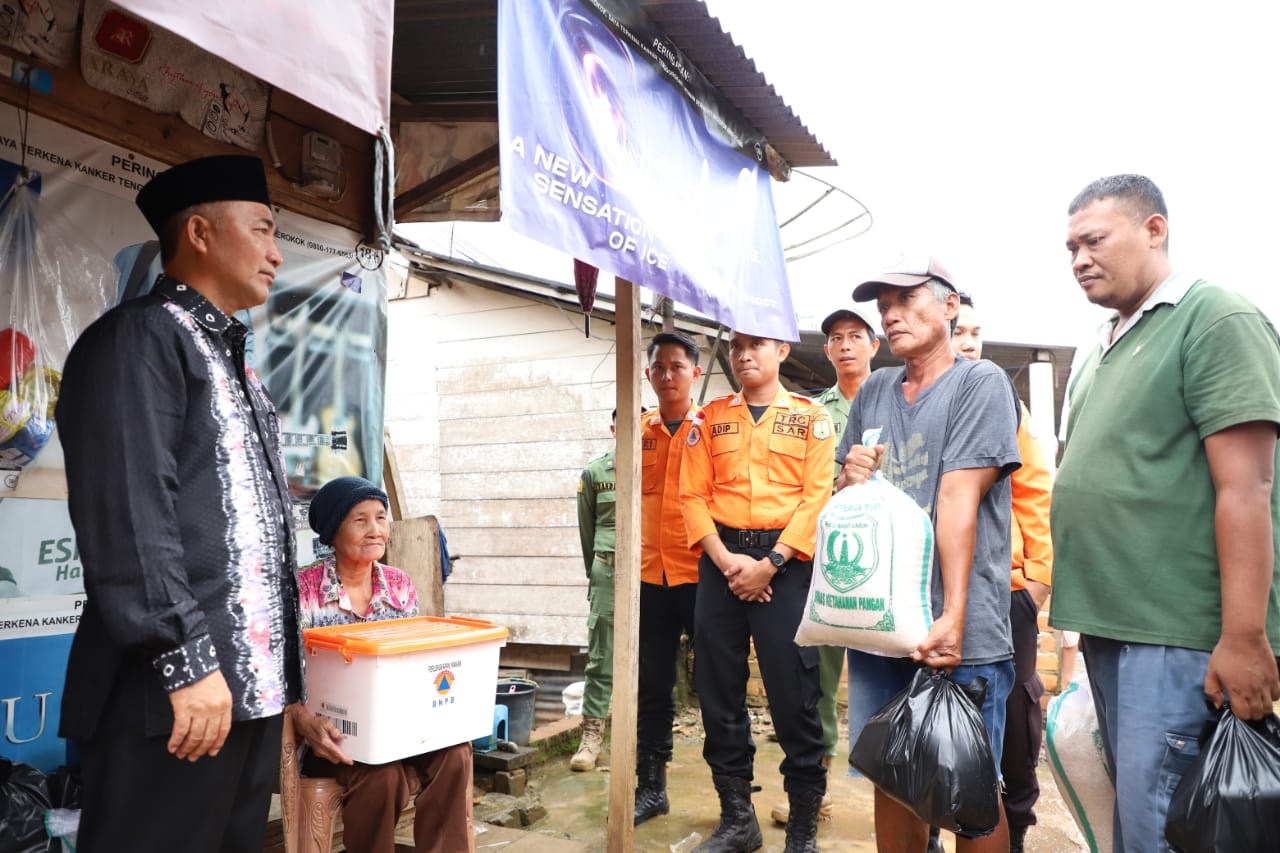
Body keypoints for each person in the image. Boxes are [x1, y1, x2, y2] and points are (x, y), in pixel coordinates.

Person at [55, 155, 300, 852]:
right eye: (263, 229)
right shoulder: (140, 337)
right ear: (199, 232)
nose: (277, 253)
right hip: (171, 696)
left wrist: (283, 682)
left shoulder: (229, 359)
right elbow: (132, 517)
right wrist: (186, 661)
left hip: (242, 695)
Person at [1052, 174, 1280, 853]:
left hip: (1176, 632)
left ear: (1155, 229)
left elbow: (1248, 487)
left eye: (1094, 240)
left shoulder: (1215, 318)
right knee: (1137, 822)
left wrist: (1242, 636)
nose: (1079, 259)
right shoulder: (1104, 341)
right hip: (1111, 624)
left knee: (1163, 827)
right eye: (1069, 248)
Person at [835, 257, 1020, 853]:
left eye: (906, 298)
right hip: (883, 625)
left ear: (950, 306)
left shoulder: (980, 382)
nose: (889, 313)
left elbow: (958, 495)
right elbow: (848, 497)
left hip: (955, 626)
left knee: (970, 790)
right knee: (892, 779)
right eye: (882, 303)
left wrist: (956, 614)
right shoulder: (879, 389)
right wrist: (852, 476)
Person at [680, 330, 834, 853]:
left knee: (794, 695)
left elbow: (816, 499)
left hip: (785, 566)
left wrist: (770, 564)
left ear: (782, 352)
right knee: (719, 692)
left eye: (758, 345)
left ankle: (802, 831)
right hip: (721, 563)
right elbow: (692, 497)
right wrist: (728, 563)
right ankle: (737, 820)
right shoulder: (710, 417)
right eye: (738, 346)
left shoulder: (812, 418)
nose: (745, 355)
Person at [289, 476, 474, 853]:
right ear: (333, 530)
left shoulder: (399, 585)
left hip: (400, 727)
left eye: (381, 518)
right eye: (360, 520)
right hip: (335, 736)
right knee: (382, 775)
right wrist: (303, 720)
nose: (376, 530)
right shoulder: (303, 590)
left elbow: (415, 662)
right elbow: (284, 677)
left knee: (456, 753)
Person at [770, 306, 880, 829]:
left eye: (855, 336)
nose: (844, 346)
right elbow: (803, 486)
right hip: (833, 558)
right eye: (835, 338)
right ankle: (815, 790)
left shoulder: (899, 396)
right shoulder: (812, 413)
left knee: (899, 678)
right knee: (817, 677)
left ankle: (909, 797)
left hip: (892, 560)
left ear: (873, 345)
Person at [952, 293, 1054, 853]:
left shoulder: (1006, 403)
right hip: (939, 592)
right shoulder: (921, 398)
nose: (969, 342)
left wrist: (1037, 576)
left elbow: (1036, 492)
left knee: (1013, 713)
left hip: (1008, 588)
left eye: (975, 331)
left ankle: (1013, 828)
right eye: (958, 331)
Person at [634, 331, 704, 826]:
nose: (667, 376)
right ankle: (650, 787)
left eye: (677, 367)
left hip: (702, 576)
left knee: (720, 686)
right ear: (648, 374)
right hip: (648, 578)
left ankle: (734, 799)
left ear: (695, 372)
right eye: (659, 367)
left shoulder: (712, 428)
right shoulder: (637, 431)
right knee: (652, 687)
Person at [571, 409, 617, 771]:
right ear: (613, 427)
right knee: (601, 655)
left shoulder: (660, 468)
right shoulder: (595, 472)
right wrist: (597, 572)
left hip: (651, 571)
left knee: (652, 658)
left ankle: (643, 739)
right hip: (608, 569)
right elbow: (586, 530)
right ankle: (592, 736)